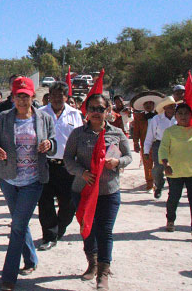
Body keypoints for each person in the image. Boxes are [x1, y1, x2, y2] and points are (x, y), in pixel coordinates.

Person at [0, 77, 56, 290]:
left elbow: (53, 144)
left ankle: (8, 276)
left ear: (32, 97)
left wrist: (49, 144)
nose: (23, 101)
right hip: (9, 179)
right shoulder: (4, 118)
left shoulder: (44, 118)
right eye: (19, 96)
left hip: (33, 180)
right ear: (13, 97)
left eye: (26, 96)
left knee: (16, 226)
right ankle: (31, 259)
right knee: (19, 222)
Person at [64, 93, 132, 291]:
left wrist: (118, 162)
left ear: (107, 111)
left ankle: (103, 271)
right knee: (88, 229)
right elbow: (68, 159)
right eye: (92, 108)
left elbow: (128, 156)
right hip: (83, 191)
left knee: (105, 231)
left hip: (109, 192)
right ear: (86, 111)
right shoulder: (78, 134)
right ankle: (92, 263)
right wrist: (82, 172)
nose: (96, 112)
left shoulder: (117, 133)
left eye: (100, 109)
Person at [36, 82, 84, 251]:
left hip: (67, 165)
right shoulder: (40, 113)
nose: (57, 98)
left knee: (69, 204)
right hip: (45, 164)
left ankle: (60, 228)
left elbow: (80, 139)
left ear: (66, 97)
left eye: (60, 95)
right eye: (53, 95)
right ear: (49, 96)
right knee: (45, 203)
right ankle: (49, 236)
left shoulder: (75, 115)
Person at [158, 103, 192, 233]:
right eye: (180, 113)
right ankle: (170, 220)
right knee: (174, 198)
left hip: (191, 172)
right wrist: (166, 165)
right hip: (174, 171)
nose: (183, 116)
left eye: (186, 113)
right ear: (176, 116)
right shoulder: (169, 132)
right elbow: (164, 149)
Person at [144, 96, 178, 199]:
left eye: (174, 106)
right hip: (159, 144)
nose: (173, 108)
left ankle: (173, 190)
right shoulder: (157, 119)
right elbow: (150, 135)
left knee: (174, 168)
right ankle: (159, 185)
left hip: (175, 145)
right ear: (165, 107)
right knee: (158, 169)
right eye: (170, 106)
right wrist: (146, 151)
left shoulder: (178, 118)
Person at [131, 92, 163, 192]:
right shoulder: (139, 117)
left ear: (154, 105)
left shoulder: (159, 116)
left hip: (158, 143)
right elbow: (136, 131)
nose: (148, 105)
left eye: (150, 103)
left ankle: (158, 183)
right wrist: (135, 143)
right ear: (143, 106)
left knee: (159, 164)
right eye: (146, 104)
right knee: (147, 165)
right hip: (145, 144)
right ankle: (149, 184)